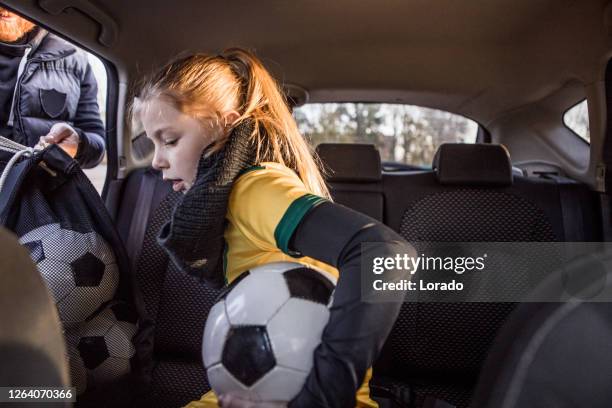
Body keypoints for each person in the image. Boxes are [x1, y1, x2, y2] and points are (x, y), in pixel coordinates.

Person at [135, 48, 413, 408]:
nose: (157, 160)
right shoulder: (235, 198)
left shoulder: (254, 189)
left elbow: (384, 252)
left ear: (222, 125)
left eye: (170, 140)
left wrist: (324, 395)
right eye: (151, 143)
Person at [0, 7, 105, 168]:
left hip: (37, 190)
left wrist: (78, 144)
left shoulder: (73, 59)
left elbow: (97, 143)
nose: (6, 9)